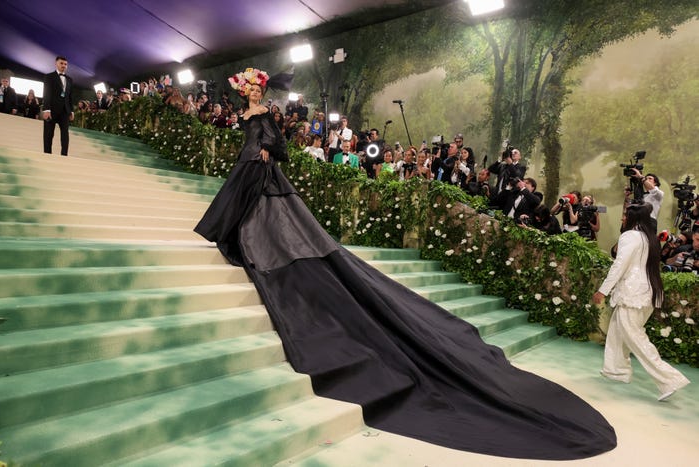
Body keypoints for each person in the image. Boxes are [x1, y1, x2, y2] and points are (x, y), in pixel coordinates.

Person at [194, 67, 616, 462]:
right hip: (246, 170)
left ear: (261, 89)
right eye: (245, 88)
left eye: (253, 87)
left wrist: (267, 148)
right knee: (245, 212)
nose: (249, 92)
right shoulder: (244, 113)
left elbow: (280, 147)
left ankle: (257, 248)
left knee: (272, 219)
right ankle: (244, 241)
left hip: (261, 171)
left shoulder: (265, 112)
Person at [593, 203, 689, 401]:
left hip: (632, 294)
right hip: (645, 294)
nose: (622, 219)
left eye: (624, 215)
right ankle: (616, 371)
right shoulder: (649, 238)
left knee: (635, 337)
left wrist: (602, 290)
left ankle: (668, 379)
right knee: (618, 333)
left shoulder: (630, 236)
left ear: (633, 218)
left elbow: (619, 265)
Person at [42, 55, 74, 156]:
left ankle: (64, 155)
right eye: (61, 63)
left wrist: (72, 110)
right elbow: (46, 93)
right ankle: (47, 154)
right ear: (56, 63)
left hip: (65, 111)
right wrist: (46, 110)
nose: (63, 65)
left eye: (65, 64)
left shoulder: (70, 79)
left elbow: (70, 96)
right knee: (48, 134)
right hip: (51, 110)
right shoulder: (49, 77)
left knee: (65, 134)